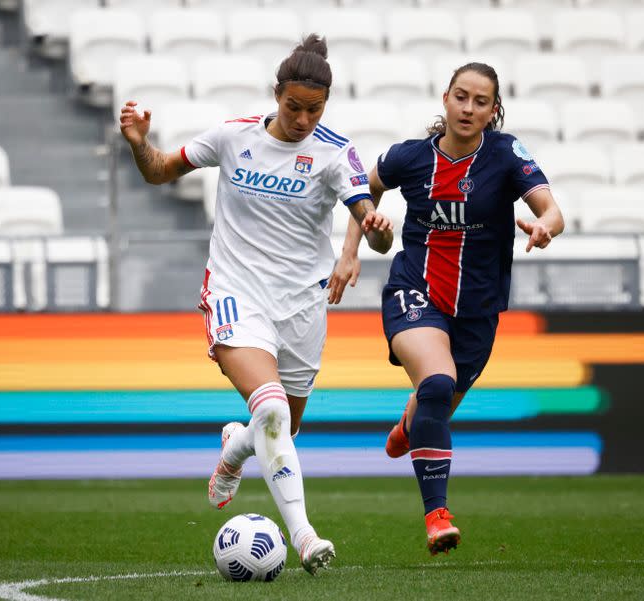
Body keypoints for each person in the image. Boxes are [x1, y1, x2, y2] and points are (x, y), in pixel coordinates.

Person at [119, 34, 393, 574]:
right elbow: (157, 170)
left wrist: (376, 229)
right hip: (235, 294)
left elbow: (373, 228)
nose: (301, 119)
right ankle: (305, 537)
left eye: (314, 109)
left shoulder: (335, 152)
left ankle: (235, 448)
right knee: (269, 408)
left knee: (281, 430)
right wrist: (137, 141)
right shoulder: (232, 137)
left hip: (302, 308)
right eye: (293, 106)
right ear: (276, 95)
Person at [341, 62, 564, 555]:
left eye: (480, 101)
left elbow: (551, 209)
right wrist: (352, 247)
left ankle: (407, 427)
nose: (468, 108)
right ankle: (437, 516)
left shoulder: (506, 156)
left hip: (478, 311)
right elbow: (363, 186)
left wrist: (544, 225)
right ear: (445, 99)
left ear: (493, 111)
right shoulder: (411, 158)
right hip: (415, 290)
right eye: (461, 97)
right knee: (437, 384)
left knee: (435, 404)